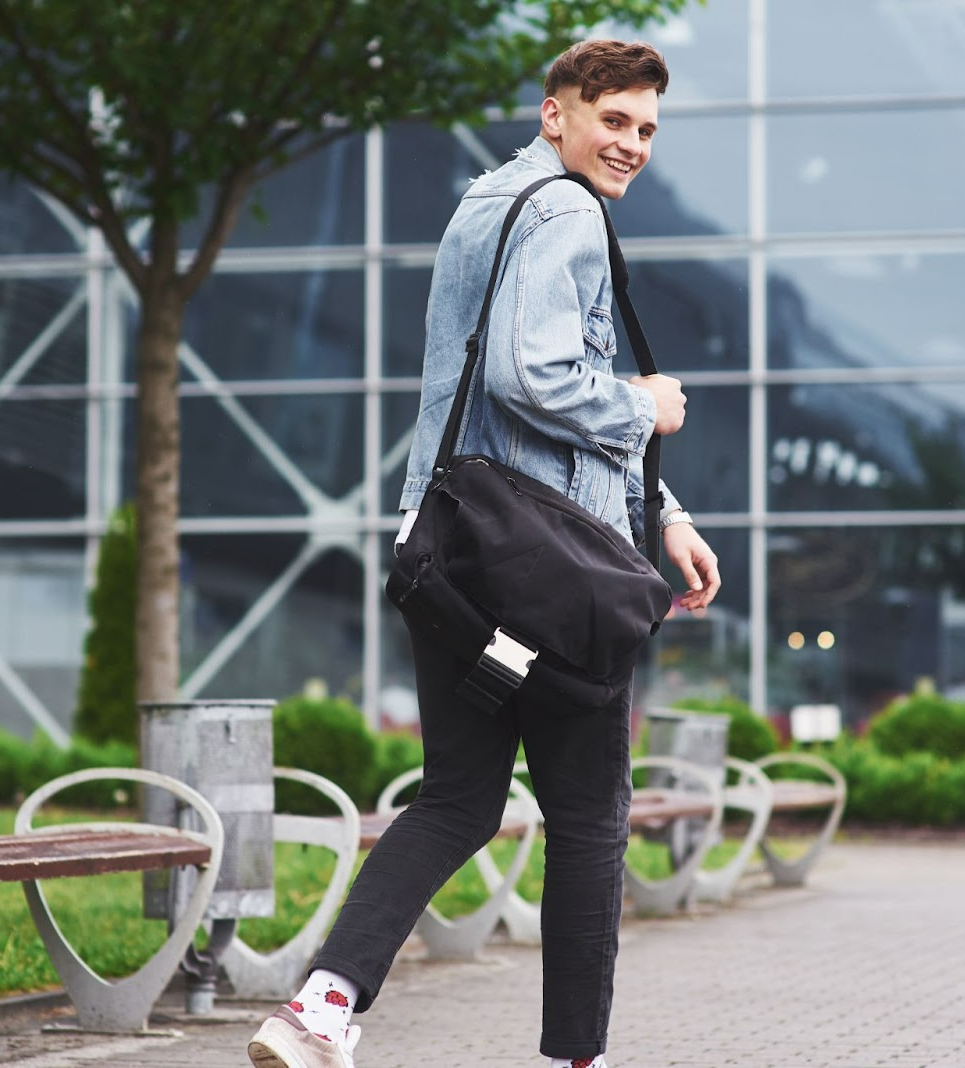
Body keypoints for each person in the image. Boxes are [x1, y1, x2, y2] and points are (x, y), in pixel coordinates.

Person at [248, 38, 721, 1068]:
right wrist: (645, 410)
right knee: (591, 816)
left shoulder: (487, 206)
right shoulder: (567, 214)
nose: (631, 145)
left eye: (645, 128)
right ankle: (575, 1057)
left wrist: (667, 511)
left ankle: (320, 1008)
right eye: (613, 120)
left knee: (459, 797)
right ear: (555, 114)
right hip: (558, 581)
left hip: (458, 562)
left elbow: (522, 401)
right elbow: (532, 376)